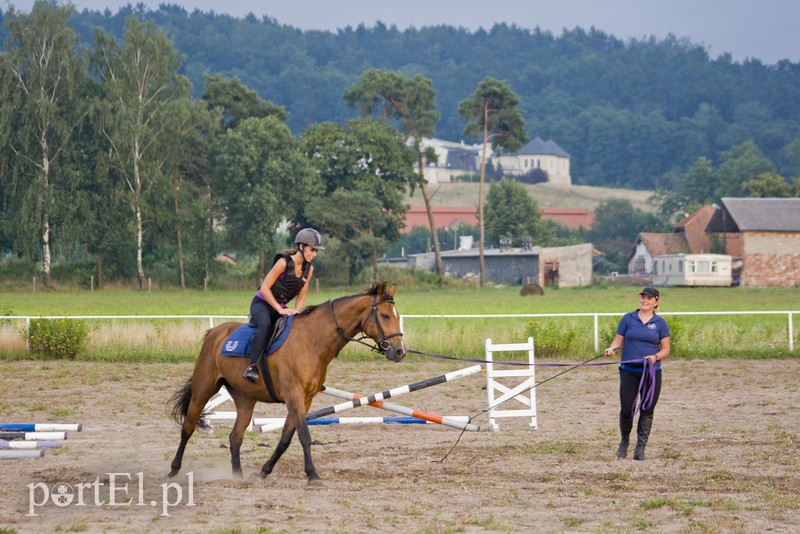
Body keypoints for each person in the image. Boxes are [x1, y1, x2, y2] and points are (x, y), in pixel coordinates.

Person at [243, 228, 324, 383]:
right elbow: (265, 288)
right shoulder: (283, 262)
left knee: (299, 327)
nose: (314, 254)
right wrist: (280, 309)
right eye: (312, 250)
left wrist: (296, 311)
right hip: (263, 303)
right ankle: (252, 366)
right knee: (266, 324)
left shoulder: (309, 269)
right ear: (301, 246)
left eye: (316, 252)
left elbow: (302, 296)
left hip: (281, 308)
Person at [603, 287, 670, 461]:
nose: (645, 300)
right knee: (627, 409)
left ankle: (640, 447)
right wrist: (612, 349)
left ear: (656, 301)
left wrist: (655, 357)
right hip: (629, 372)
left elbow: (666, 349)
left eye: (649, 298)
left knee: (647, 409)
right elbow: (618, 340)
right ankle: (624, 441)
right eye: (643, 297)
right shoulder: (628, 318)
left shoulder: (660, 323)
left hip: (651, 373)